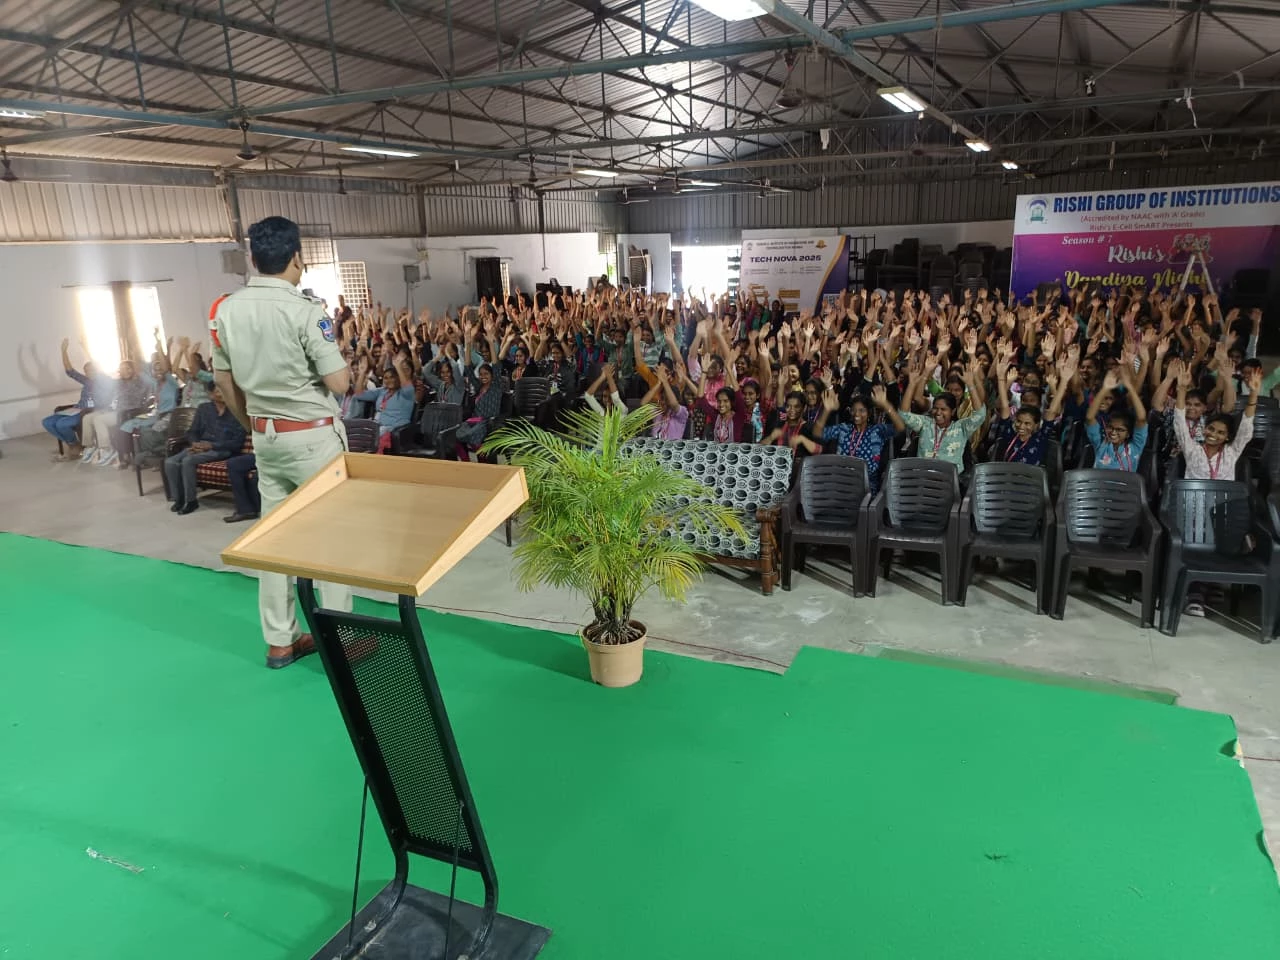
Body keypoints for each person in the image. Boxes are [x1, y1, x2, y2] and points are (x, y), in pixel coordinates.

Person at [210, 215, 355, 670]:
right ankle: (338, 640)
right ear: (297, 258)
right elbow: (340, 382)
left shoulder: (226, 309)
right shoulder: (305, 310)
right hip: (312, 438)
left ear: (253, 259)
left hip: (266, 436)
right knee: (333, 538)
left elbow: (223, 379)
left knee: (273, 538)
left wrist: (252, 424)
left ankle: (280, 640)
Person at [164, 385, 246, 514]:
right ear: (211, 394)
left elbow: (237, 442)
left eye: (224, 390)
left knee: (188, 461)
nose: (221, 394)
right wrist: (195, 444)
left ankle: (191, 501)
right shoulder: (204, 408)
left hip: (222, 449)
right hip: (200, 447)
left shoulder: (235, 411)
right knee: (170, 462)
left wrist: (211, 446)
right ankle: (179, 499)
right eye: (218, 391)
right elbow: (192, 431)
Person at [1085, 368, 1148, 471]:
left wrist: (1130, 388)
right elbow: (1089, 418)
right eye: (1110, 427)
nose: (1113, 432)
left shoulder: (1135, 447)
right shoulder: (1100, 444)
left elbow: (1141, 419)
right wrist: (1105, 388)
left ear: (1128, 433)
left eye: (1120, 429)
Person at [43, 338, 95, 461]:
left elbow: (95, 363)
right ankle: (74, 444)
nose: (89, 372)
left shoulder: (103, 381)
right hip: (77, 409)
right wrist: (63, 351)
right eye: (86, 371)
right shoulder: (86, 381)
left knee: (62, 424)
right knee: (47, 422)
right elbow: (70, 371)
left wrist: (85, 348)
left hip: (87, 411)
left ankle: (74, 447)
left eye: (91, 370)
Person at [224, 453, 261, 523]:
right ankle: (245, 510)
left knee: (255, 477)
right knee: (233, 463)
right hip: (261, 454)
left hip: (278, 455)